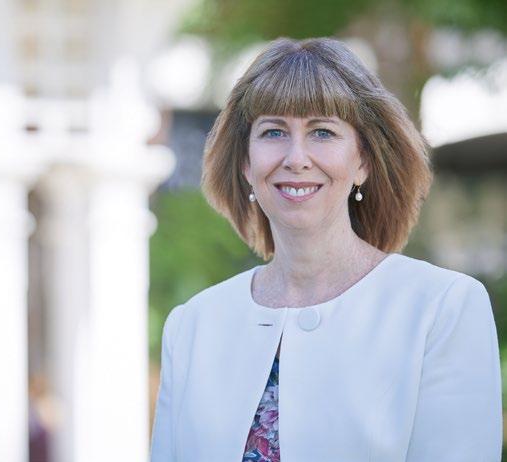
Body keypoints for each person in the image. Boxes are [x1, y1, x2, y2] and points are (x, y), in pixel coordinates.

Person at [150, 37, 502, 462]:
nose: (296, 158)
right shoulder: (191, 326)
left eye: (322, 132)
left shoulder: (442, 309)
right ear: (245, 163)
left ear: (363, 161)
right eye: (273, 132)